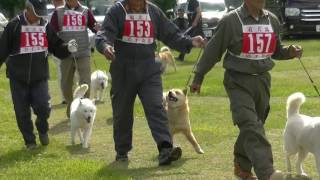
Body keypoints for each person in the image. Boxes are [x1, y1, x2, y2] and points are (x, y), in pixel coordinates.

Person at [190, 0, 302, 179]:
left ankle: (241, 166)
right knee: (250, 124)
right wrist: (198, 76)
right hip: (238, 82)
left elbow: (275, 51)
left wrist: (290, 52)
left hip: (263, 81)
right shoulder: (230, 21)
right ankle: (268, 172)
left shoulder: (272, 20)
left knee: (254, 126)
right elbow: (213, 50)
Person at [95, 0, 205, 165]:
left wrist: (190, 42)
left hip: (149, 71)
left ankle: (165, 149)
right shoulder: (117, 11)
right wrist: (105, 46)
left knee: (156, 107)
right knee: (122, 112)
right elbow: (104, 34)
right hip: (123, 71)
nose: (139, 3)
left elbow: (171, 34)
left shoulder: (153, 11)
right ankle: (122, 151)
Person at [0, 0, 78, 149]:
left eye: (41, 14)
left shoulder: (45, 25)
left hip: (40, 77)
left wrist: (67, 47)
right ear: (27, 9)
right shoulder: (14, 25)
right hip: (18, 78)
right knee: (22, 112)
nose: (39, 17)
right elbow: (2, 50)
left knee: (44, 107)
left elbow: (56, 46)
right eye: (36, 14)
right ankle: (30, 141)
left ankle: (42, 129)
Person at [50, 0, 98, 117]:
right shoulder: (58, 12)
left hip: (83, 52)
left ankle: (84, 108)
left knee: (85, 81)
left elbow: (95, 27)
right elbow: (51, 33)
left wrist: (100, 29)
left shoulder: (86, 11)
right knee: (66, 84)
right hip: (66, 54)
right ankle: (71, 107)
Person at [51, 0, 66, 104]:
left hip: (67, 48)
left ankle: (67, 96)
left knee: (68, 74)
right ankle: (65, 97)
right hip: (59, 50)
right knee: (62, 74)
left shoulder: (60, 13)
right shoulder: (53, 14)